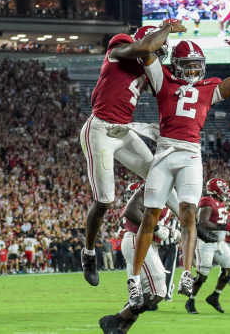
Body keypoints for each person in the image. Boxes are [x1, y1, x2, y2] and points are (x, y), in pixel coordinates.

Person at [128, 24, 230, 309]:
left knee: (189, 214)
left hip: (191, 155)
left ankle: (186, 273)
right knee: (150, 217)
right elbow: (147, 50)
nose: (194, 72)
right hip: (165, 152)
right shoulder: (163, 78)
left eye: (197, 66)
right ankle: (133, 279)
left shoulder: (209, 88)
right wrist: (166, 31)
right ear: (176, 65)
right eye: (188, 66)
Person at [79, 20, 186, 286]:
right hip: (99, 130)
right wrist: (167, 29)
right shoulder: (120, 46)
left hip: (123, 131)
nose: (159, 53)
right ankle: (89, 253)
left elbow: (166, 90)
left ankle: (188, 219)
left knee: (157, 171)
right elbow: (145, 47)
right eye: (158, 47)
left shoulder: (146, 67)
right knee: (104, 201)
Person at [99, 183, 168, 333]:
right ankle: (114, 320)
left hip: (141, 243)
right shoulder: (152, 190)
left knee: (138, 297)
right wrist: (157, 228)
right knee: (157, 292)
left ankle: (120, 330)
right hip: (138, 241)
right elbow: (131, 212)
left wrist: (170, 231)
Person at [186, 178, 230, 314]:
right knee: (202, 275)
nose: (225, 191)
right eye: (222, 188)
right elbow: (202, 222)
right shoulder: (207, 201)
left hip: (219, 242)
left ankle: (215, 296)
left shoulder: (220, 202)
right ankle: (190, 299)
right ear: (215, 189)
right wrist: (224, 226)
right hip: (206, 242)